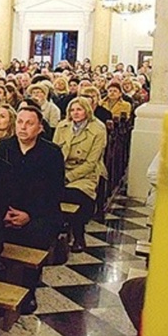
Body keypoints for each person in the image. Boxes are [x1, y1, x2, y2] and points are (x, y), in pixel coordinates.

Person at [0, 105, 65, 312]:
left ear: (40, 127)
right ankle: (0, 288)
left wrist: (29, 215)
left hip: (38, 213)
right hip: (5, 210)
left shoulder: (51, 153)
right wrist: (2, 211)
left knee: (36, 234)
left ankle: (29, 289)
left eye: (29, 123)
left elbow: (54, 191)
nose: (23, 127)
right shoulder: (2, 148)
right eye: (19, 122)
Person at [53, 97, 107, 252]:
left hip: (85, 173)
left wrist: (68, 177)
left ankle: (78, 235)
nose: (75, 113)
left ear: (87, 110)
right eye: (72, 110)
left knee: (75, 195)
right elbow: (55, 152)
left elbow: (91, 162)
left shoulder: (98, 129)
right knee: (46, 192)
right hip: (62, 170)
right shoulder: (62, 126)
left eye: (79, 109)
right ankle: (55, 232)